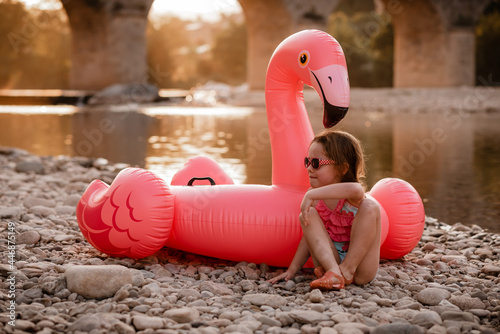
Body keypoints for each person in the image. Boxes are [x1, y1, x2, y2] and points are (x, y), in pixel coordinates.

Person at [268, 129, 381, 290]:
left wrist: (310, 195)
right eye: (307, 162)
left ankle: (347, 270)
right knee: (307, 215)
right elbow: (309, 239)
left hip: (361, 267)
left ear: (342, 169)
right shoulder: (316, 199)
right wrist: (292, 270)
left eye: (316, 163)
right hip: (330, 263)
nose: (309, 168)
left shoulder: (351, 195)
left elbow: (357, 190)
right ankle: (335, 273)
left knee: (371, 206)